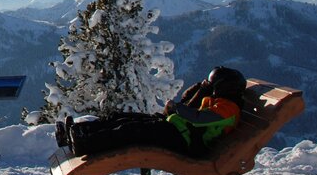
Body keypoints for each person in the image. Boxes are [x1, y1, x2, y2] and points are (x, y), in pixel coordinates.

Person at [61, 66, 247, 158]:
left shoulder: (228, 109)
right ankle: (79, 132)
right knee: (123, 118)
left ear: (223, 87)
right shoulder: (220, 101)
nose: (209, 85)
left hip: (185, 140)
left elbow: (198, 119)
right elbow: (189, 103)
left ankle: (85, 143)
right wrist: (201, 88)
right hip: (177, 130)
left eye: (212, 83)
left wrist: (177, 109)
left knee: (132, 130)